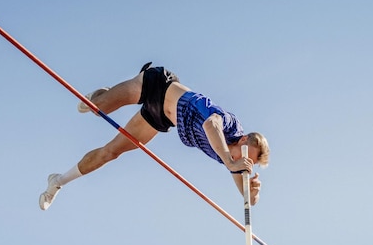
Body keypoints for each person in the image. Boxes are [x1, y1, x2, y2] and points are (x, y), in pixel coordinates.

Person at [39, 62, 269, 210]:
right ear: (242, 140)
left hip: (160, 118)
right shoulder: (229, 127)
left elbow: (241, 184)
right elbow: (211, 125)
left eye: (250, 162)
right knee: (98, 107)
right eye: (246, 155)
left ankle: (58, 181)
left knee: (111, 152)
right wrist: (231, 162)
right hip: (159, 85)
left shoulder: (230, 157)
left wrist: (252, 193)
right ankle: (104, 94)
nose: (244, 161)